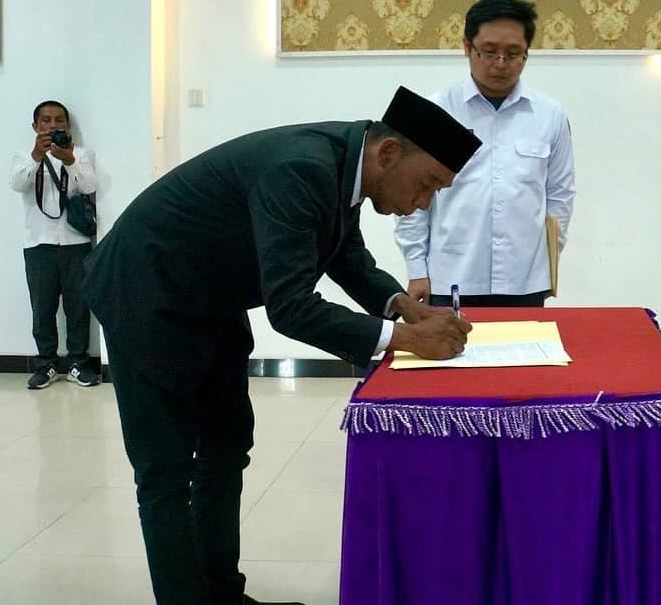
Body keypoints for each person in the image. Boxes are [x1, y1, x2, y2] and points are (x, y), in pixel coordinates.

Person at [82, 87, 480, 605]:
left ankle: (222, 594)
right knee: (165, 470)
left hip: (211, 297)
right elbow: (290, 306)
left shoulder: (345, 166)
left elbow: (343, 251)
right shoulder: (302, 168)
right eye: (427, 185)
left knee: (226, 449)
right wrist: (405, 339)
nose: (423, 203)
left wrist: (404, 306)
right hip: (144, 293)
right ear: (388, 153)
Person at [394, 0, 576, 309]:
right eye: (489, 52)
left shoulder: (550, 115)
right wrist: (416, 269)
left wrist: (548, 263)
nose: (500, 64)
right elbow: (411, 197)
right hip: (451, 276)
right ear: (467, 47)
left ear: (527, 53)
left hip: (525, 281)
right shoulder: (436, 111)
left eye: (513, 54)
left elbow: (560, 195)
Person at [9, 100, 99, 389]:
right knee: (42, 307)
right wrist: (37, 155)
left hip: (76, 243)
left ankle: (78, 363)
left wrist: (69, 160)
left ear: (67, 125)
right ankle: (45, 364)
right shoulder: (24, 156)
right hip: (38, 243)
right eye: (45, 120)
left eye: (59, 119)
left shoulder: (81, 154)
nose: (52, 125)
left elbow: (89, 186)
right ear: (35, 126)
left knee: (78, 307)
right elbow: (17, 184)